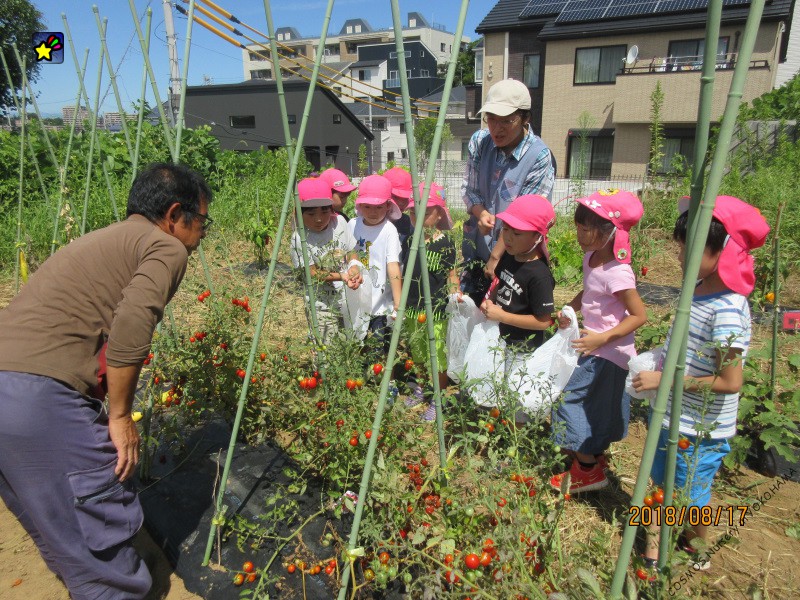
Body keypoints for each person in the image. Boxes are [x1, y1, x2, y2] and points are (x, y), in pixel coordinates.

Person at [0, 163, 212, 600]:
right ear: (175, 214)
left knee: (57, 526)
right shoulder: (164, 247)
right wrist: (119, 414)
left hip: (10, 392)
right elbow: (133, 321)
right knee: (101, 543)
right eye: (202, 221)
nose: (203, 234)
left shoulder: (106, 238)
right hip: (38, 398)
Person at [632, 196, 769, 570]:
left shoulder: (727, 308)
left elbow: (730, 381)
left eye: (689, 247)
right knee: (660, 485)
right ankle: (654, 552)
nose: (679, 254)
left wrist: (667, 380)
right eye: (680, 245)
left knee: (689, 497)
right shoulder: (697, 288)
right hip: (673, 415)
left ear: (721, 251)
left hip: (702, 428)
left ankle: (696, 548)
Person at [550, 189, 647, 494]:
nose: (579, 234)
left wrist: (602, 338)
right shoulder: (592, 258)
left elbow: (638, 316)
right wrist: (571, 308)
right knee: (598, 405)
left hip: (607, 350)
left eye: (586, 229)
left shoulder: (619, 273)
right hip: (595, 345)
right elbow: (589, 292)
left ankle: (588, 469)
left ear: (610, 232)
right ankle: (593, 455)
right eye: (578, 227)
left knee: (569, 399)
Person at [461, 78, 555, 305]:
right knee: (471, 312)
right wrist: (481, 212)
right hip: (478, 247)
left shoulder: (539, 157)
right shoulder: (480, 141)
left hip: (516, 257)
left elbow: (526, 218)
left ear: (525, 118)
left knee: (506, 321)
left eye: (506, 121)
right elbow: (470, 189)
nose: (496, 128)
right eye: (491, 119)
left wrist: (495, 257)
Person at [481, 194, 557, 421]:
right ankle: (506, 429)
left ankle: (518, 444)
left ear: (537, 236)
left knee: (518, 397)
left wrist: (502, 315)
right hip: (502, 339)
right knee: (502, 389)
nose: (509, 238)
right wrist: (490, 300)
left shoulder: (539, 276)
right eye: (506, 230)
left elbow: (543, 321)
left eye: (517, 233)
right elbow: (500, 285)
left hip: (523, 348)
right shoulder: (510, 258)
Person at [402, 182, 458, 420]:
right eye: (414, 211)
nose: (418, 216)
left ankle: (439, 397)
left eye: (425, 211)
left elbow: (451, 275)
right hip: (413, 309)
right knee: (418, 352)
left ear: (438, 215)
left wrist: (457, 297)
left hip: (435, 309)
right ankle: (422, 388)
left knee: (437, 354)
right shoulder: (408, 241)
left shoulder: (445, 244)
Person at [291, 177, 363, 345]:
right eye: (311, 214)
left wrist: (354, 266)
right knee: (326, 349)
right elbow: (312, 273)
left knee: (348, 344)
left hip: (346, 299)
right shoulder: (299, 238)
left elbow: (352, 250)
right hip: (320, 304)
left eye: (324, 212)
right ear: (298, 213)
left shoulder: (339, 223)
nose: (318, 219)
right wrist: (342, 276)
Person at [347, 174, 403, 358]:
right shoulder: (352, 225)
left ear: (388, 206)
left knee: (380, 348)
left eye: (379, 207)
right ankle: (360, 380)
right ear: (359, 206)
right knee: (355, 345)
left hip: (380, 304)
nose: (373, 211)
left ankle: (383, 383)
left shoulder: (389, 230)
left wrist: (398, 302)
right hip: (355, 298)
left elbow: (393, 266)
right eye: (367, 206)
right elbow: (346, 256)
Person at [382, 166, 415, 266]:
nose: (401, 203)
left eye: (405, 198)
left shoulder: (407, 223)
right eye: (396, 197)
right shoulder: (371, 221)